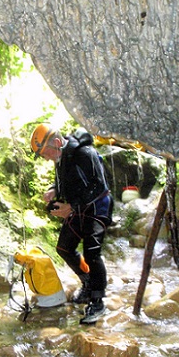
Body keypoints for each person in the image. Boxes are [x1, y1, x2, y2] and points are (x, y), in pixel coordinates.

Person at [30, 124, 113, 324]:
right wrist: (53, 190)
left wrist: (71, 208)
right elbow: (65, 182)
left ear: (57, 143)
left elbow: (98, 186)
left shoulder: (85, 152)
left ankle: (98, 300)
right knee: (64, 247)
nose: (46, 158)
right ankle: (87, 283)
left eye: (45, 153)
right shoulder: (61, 157)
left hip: (97, 207)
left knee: (92, 253)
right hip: (78, 208)